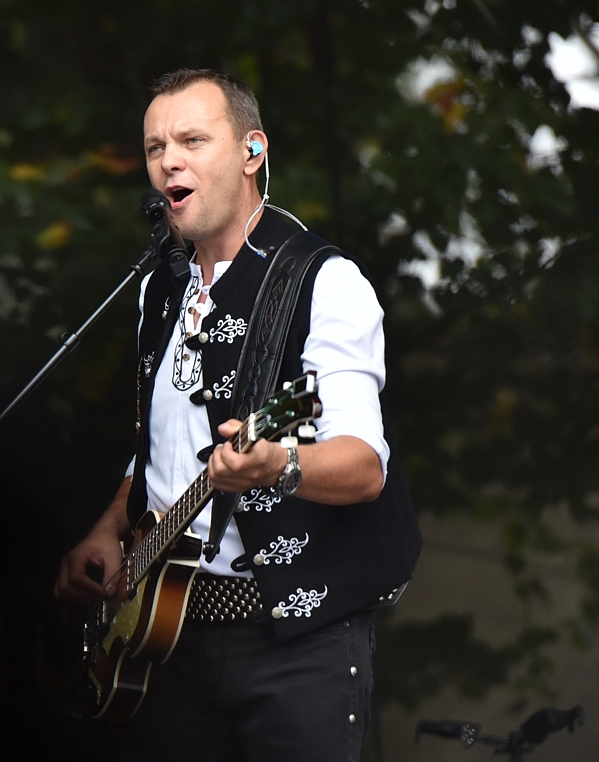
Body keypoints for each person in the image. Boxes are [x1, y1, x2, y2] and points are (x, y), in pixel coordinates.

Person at [53, 69, 421, 761]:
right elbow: (160, 446)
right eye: (156, 146)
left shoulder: (323, 281)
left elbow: (363, 466)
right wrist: (109, 529)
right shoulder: (158, 289)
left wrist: (276, 464)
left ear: (253, 151)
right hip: (166, 640)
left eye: (192, 140)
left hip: (294, 643)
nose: (170, 160)